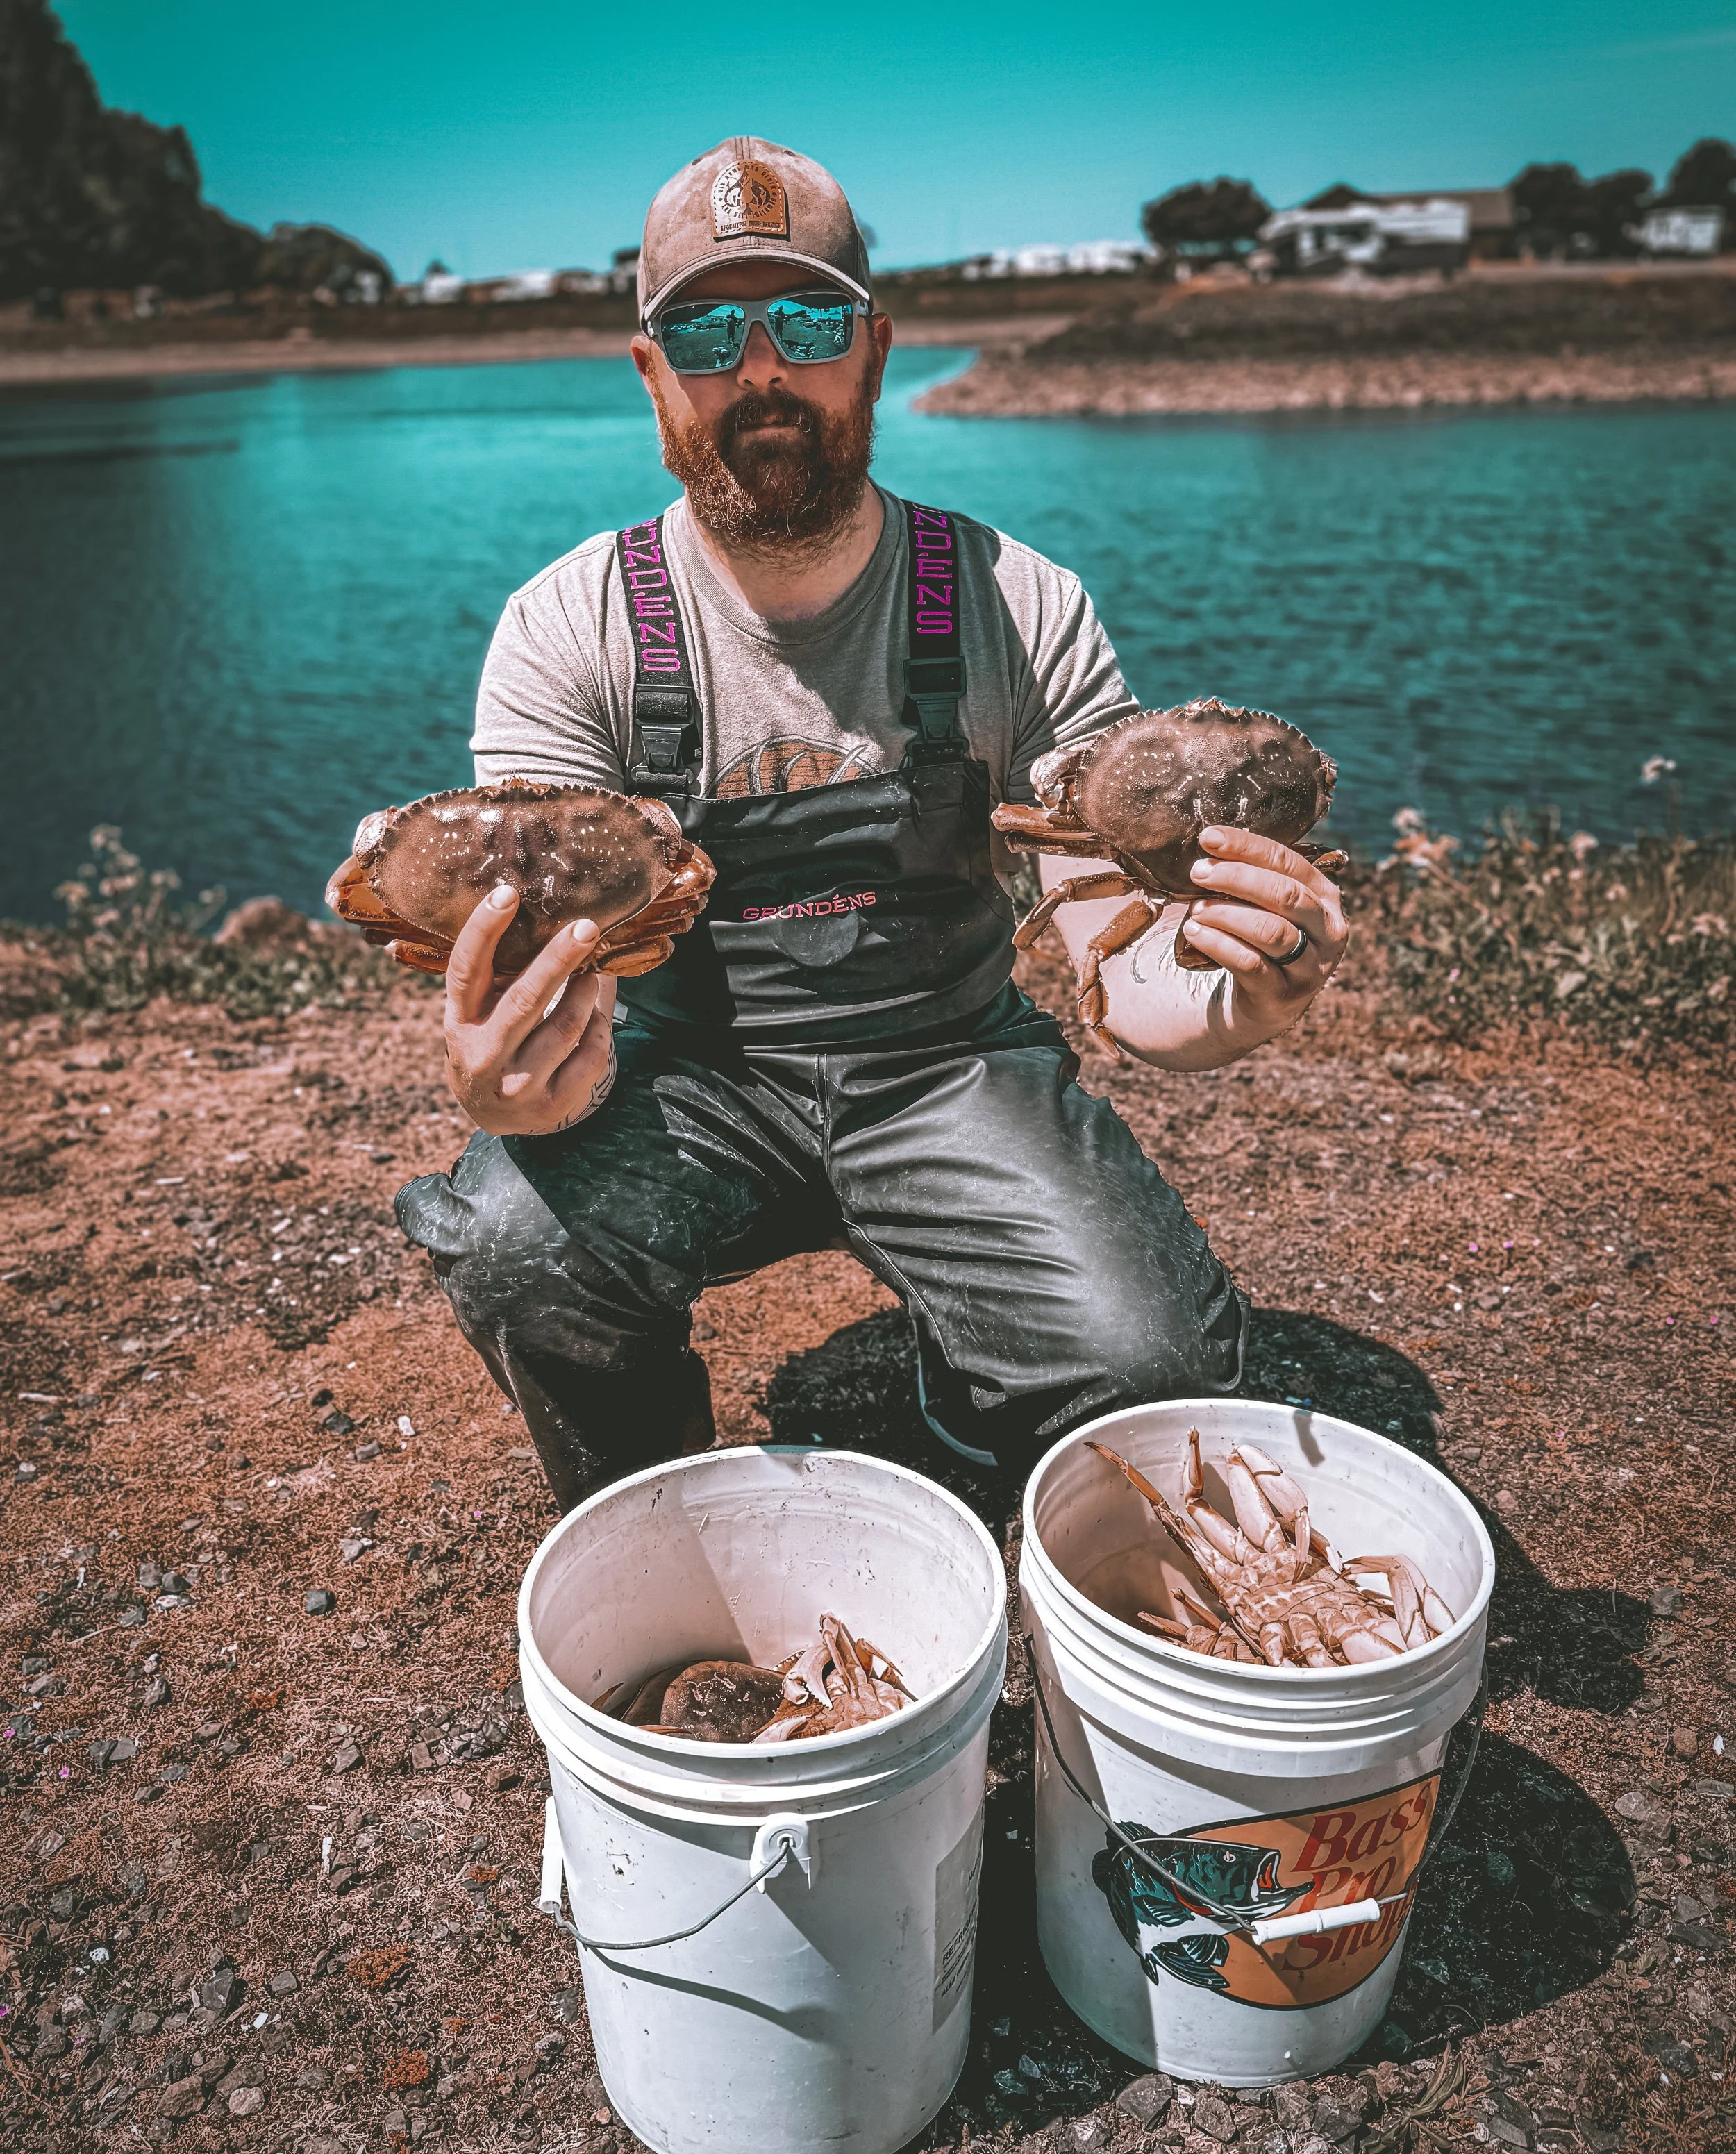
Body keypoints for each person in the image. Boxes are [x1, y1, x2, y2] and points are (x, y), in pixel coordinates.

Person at [396, 137, 1349, 1509]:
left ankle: (971, 1379)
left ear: (876, 348)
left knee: (1159, 1366)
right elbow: (557, 1007)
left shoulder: (1018, 604)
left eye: (810, 319)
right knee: (505, 1235)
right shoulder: (569, 632)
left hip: (949, 1073)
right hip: (686, 1088)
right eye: (709, 329)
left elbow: (1125, 955)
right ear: (651, 369)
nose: (762, 368)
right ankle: (648, 1507)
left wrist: (1229, 1004)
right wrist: (510, 1082)